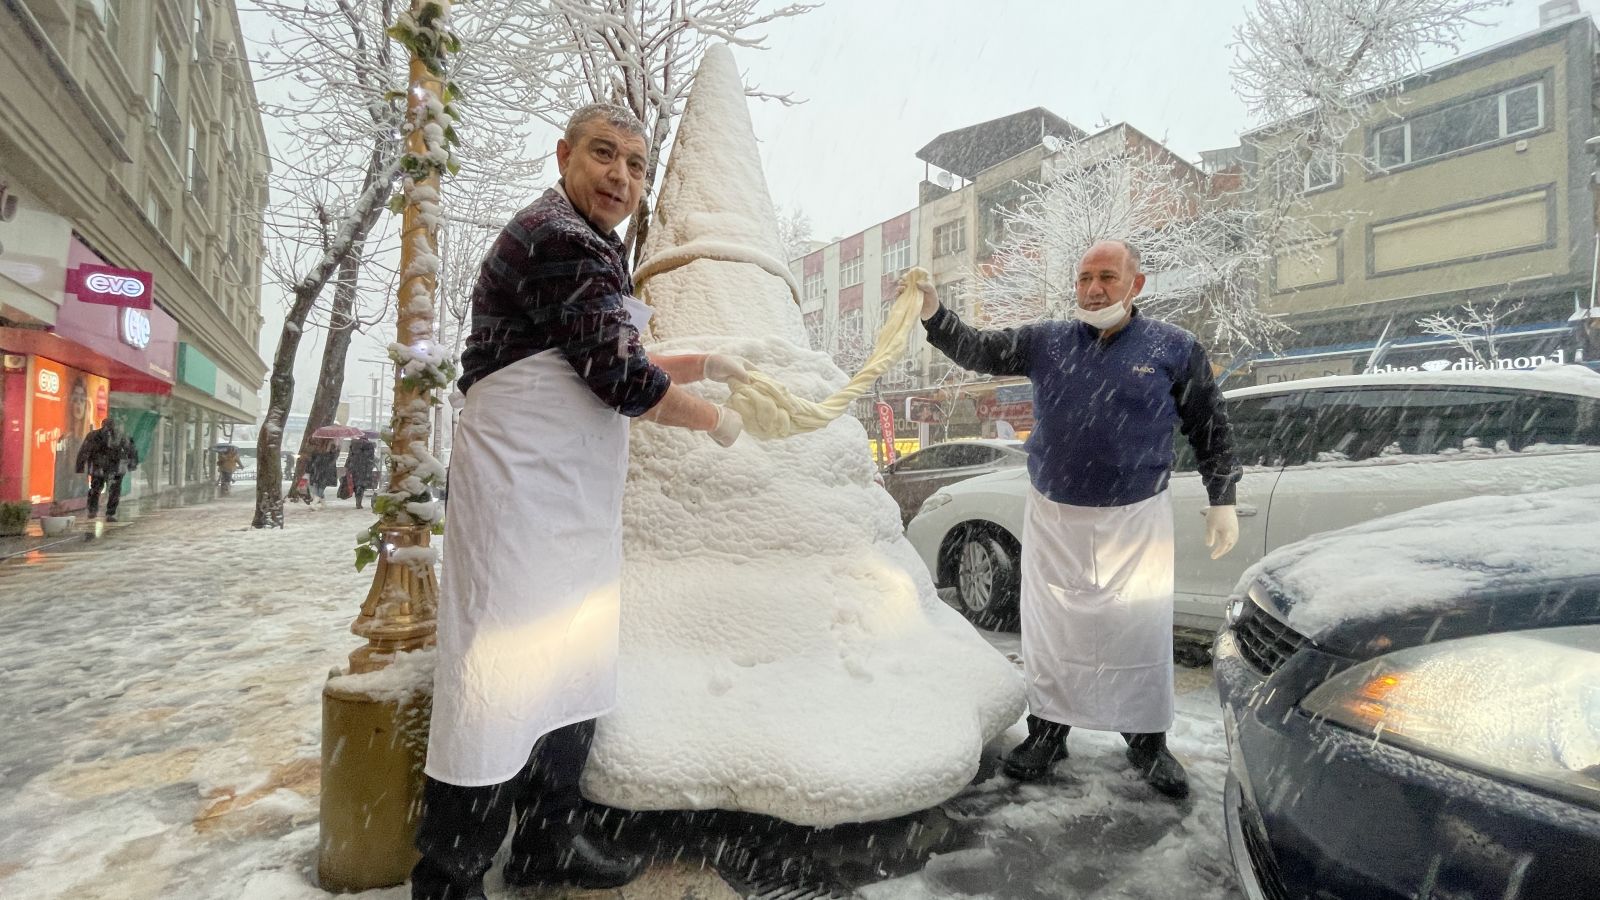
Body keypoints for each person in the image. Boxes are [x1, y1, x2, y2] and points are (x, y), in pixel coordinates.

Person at [413, 102, 748, 900]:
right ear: (564, 154)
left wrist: (710, 361)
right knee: (496, 684)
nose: (621, 178)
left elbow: (604, 348)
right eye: (605, 156)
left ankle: (548, 842)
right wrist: (721, 419)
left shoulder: (588, 247)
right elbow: (623, 379)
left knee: (568, 668)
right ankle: (452, 874)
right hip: (521, 505)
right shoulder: (558, 239)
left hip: (565, 508)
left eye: (635, 166)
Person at [911, 240, 1240, 799]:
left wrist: (1223, 496)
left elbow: (1209, 425)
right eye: (1085, 277)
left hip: (1137, 515)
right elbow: (978, 349)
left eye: (1107, 277)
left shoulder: (1174, 347)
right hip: (1055, 512)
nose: (1093, 288)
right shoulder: (1047, 342)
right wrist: (932, 314)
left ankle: (1146, 741)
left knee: (1136, 631)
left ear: (1136, 284)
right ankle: (1048, 732)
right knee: (1053, 629)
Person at [75, 415, 139, 523]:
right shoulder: (121, 436)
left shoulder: (94, 435)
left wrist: (80, 465)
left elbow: (84, 451)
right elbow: (131, 450)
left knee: (97, 489)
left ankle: (94, 511)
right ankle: (109, 512)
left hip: (100, 467)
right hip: (113, 468)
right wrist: (132, 464)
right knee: (112, 490)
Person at [344, 436, 378, 509]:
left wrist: (347, 465)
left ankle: (357, 499)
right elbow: (371, 458)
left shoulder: (354, 445)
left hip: (354, 467)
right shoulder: (370, 445)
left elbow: (350, 456)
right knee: (362, 484)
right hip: (365, 468)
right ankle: (359, 502)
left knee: (356, 483)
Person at [306, 441, 339, 506]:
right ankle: (324, 504)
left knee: (320, 490)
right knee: (317, 489)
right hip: (318, 473)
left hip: (325, 475)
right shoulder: (320, 454)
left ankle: (314, 504)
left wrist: (337, 449)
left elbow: (330, 463)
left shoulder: (332, 455)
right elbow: (313, 462)